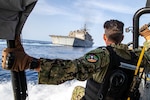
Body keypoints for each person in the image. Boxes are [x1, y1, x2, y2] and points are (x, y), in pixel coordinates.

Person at [2, 19, 150, 100]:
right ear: (122, 38)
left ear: (104, 37)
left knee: (77, 90)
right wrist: (148, 37)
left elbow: (72, 69)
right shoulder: (137, 55)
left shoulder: (102, 54)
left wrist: (29, 63)